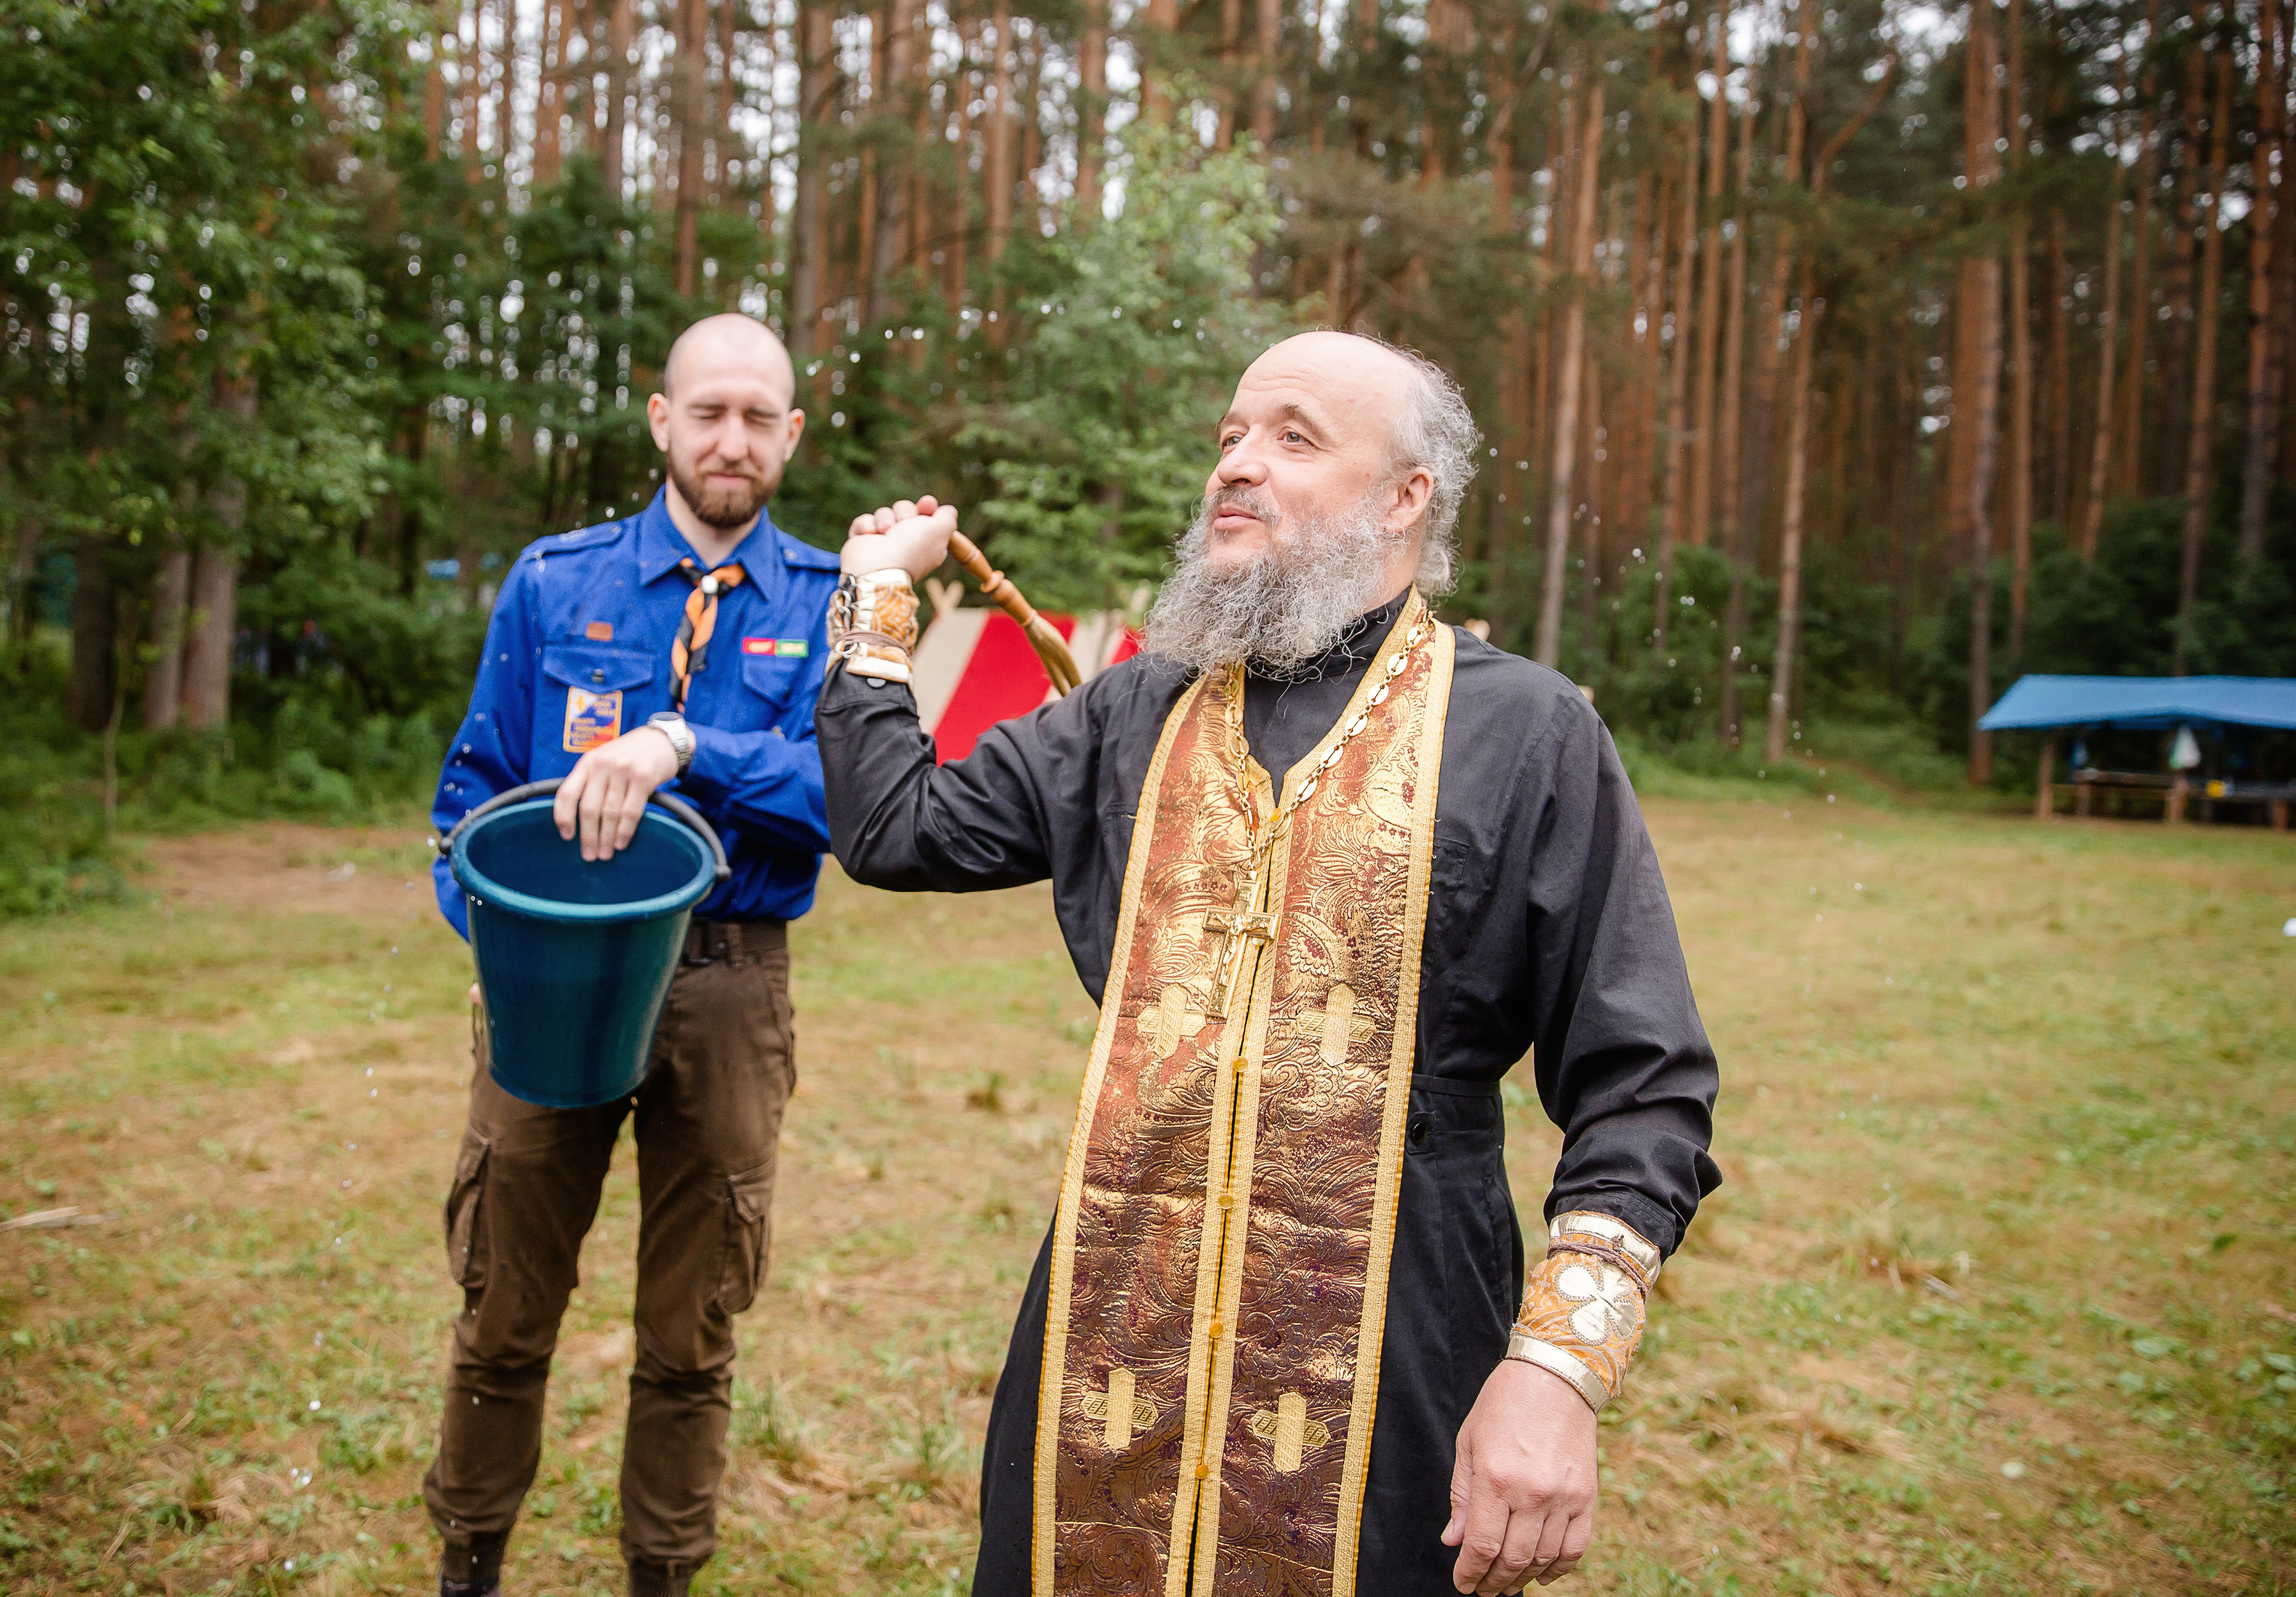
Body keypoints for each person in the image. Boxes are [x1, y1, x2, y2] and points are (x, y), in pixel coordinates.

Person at [815, 331, 1721, 1597]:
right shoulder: (1137, 709)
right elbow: (891, 828)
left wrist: (1557, 1373)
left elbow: (1646, 1086)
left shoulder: (1527, 731)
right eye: (1229, 436)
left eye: (1293, 437)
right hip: (1105, 1332)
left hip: (1401, 1358)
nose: (1236, 465)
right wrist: (873, 597)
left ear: (1407, 497)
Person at [422, 314, 842, 1597]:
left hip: (728, 985)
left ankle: (662, 1569)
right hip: (552, 985)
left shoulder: (832, 606)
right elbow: (468, 803)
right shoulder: (558, 583)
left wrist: (692, 751)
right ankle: (470, 1562)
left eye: (757, 417)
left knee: (693, 1318)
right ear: (660, 421)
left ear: (791, 435)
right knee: (503, 1306)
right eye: (706, 412)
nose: (731, 440)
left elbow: (852, 800)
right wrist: (507, 938)